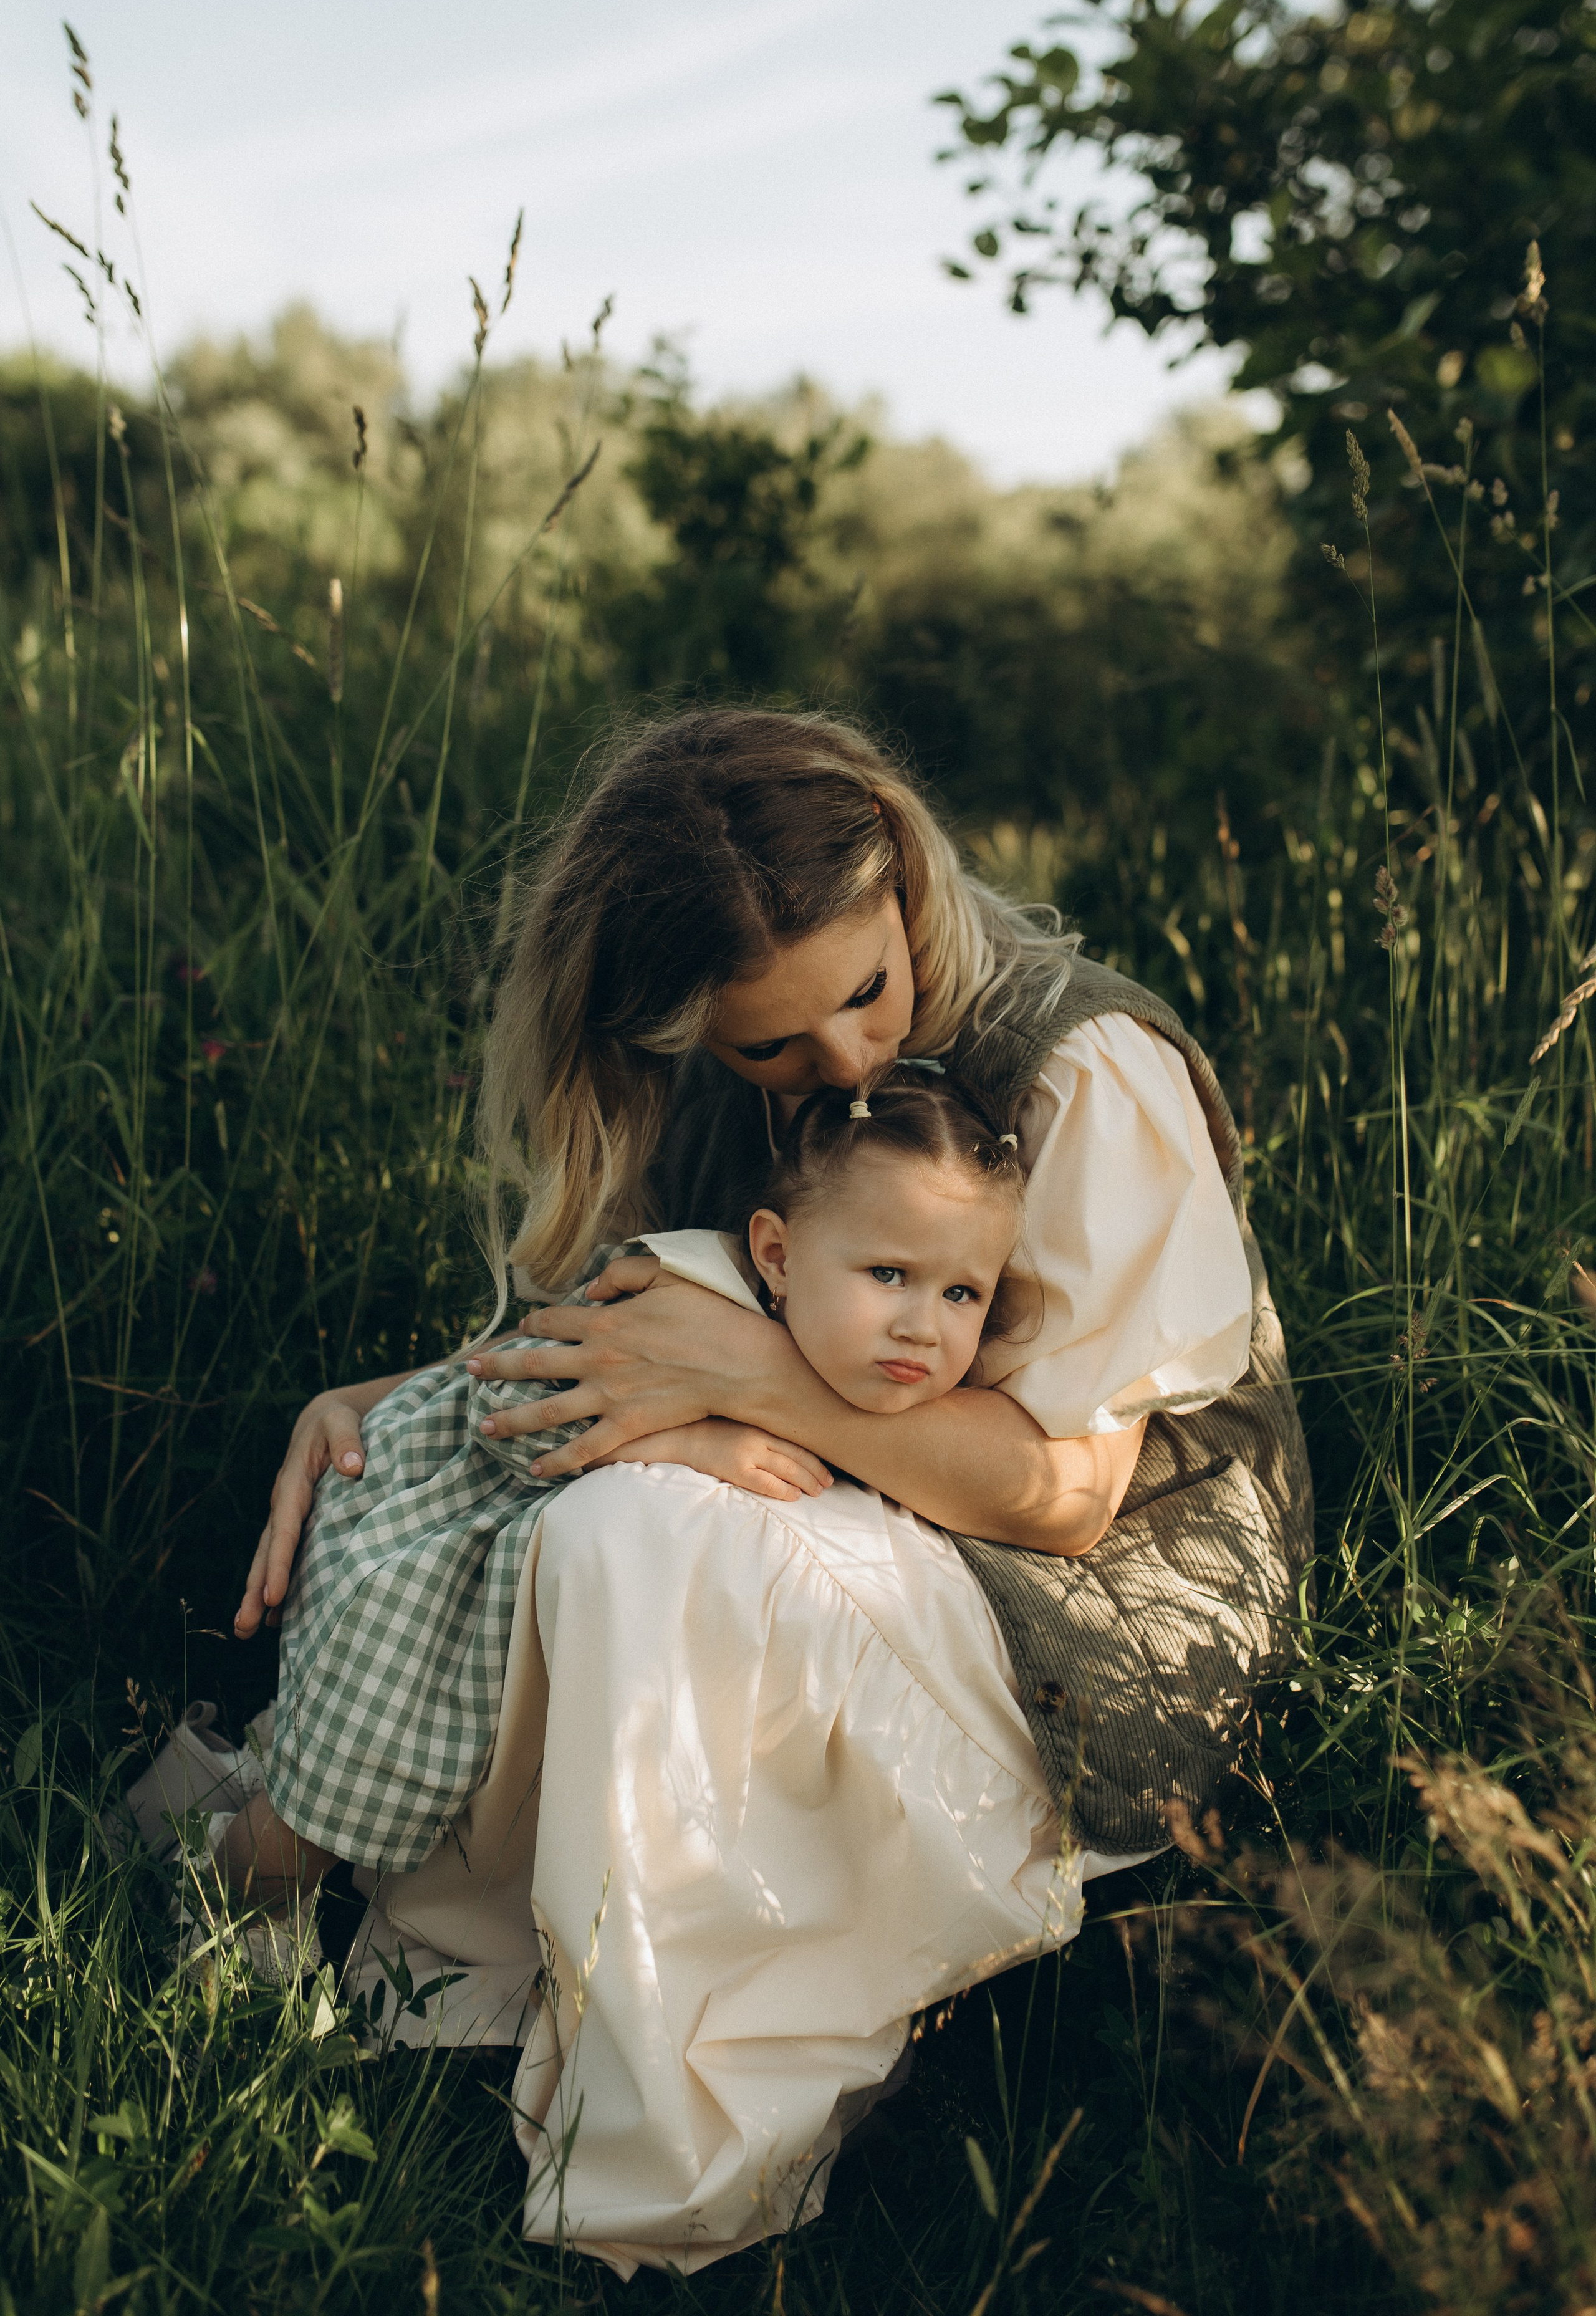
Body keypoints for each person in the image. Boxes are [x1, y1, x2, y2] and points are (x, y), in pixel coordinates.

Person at [232, 706, 1310, 2276]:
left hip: (1095, 1607)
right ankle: (500, 1913)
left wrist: (737, 1386)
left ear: (902, 873)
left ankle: (670, 2113)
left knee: (632, 1518)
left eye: (867, 993)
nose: (848, 1063)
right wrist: (383, 1402)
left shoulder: (1082, 1072)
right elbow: (648, 1314)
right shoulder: (734, 1072)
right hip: (882, 1475)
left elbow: (1070, 1496)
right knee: (557, 1476)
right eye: (771, 1047)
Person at [225, 1068, 1034, 1898]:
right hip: (424, 1574)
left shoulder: (886, 1389)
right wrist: (689, 1438)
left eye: (962, 1292)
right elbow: (512, 1400)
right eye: (889, 1275)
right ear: (776, 1256)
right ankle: (219, 1905)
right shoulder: (684, 1294)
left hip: (514, 1626)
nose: (922, 1325)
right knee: (319, 1817)